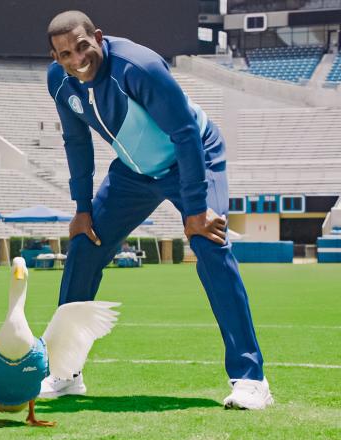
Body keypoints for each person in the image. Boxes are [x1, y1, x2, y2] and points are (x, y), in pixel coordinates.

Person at [40, 10, 272, 410]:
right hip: (133, 171)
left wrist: (196, 209)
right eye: (65, 54)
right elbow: (77, 145)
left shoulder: (137, 66)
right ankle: (64, 371)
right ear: (55, 56)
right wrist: (81, 209)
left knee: (211, 246)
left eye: (82, 46)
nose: (77, 59)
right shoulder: (58, 81)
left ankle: (251, 380)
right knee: (84, 246)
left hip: (193, 155)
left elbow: (184, 132)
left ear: (97, 36)